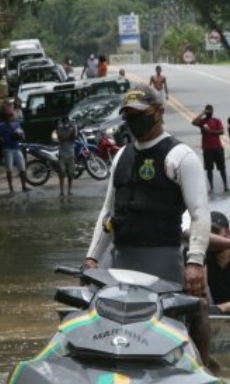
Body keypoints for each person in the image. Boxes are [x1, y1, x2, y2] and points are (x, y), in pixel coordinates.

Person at [84, 83, 212, 364]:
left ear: (158, 113)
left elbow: (201, 213)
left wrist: (195, 262)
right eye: (127, 114)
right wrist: (93, 258)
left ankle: (204, 368)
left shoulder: (180, 156)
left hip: (164, 258)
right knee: (104, 316)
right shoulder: (121, 156)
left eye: (139, 113)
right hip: (121, 258)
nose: (133, 120)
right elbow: (108, 211)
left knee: (196, 308)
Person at [0, 108, 27, 193]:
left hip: (16, 147)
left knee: (22, 167)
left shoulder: (16, 124)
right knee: (9, 169)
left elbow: (22, 132)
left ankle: (24, 186)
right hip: (7, 149)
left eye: (11, 116)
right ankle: (11, 188)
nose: (10, 118)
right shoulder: (1, 126)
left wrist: (21, 135)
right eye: (9, 117)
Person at [192, 104, 228, 193]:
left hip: (217, 147)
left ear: (213, 111)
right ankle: (211, 187)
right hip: (207, 148)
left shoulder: (216, 120)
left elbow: (222, 131)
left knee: (222, 168)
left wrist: (210, 131)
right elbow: (194, 122)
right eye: (207, 110)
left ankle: (225, 186)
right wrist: (202, 114)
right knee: (209, 169)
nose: (209, 112)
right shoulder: (203, 121)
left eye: (210, 110)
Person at [54, 116, 78, 196]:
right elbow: (61, 137)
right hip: (62, 154)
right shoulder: (60, 128)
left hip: (70, 154)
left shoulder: (69, 128)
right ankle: (62, 191)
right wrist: (70, 131)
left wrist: (72, 130)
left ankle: (69, 190)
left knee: (71, 174)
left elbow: (73, 137)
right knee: (62, 172)